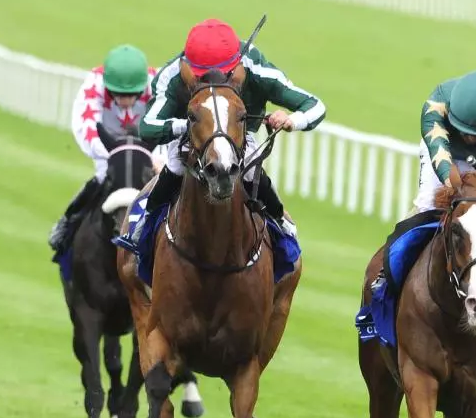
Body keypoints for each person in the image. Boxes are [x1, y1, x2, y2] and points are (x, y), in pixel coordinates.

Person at [130, 18, 327, 244]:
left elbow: (315, 106)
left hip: (239, 139)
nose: (213, 83)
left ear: (238, 65)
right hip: (191, 138)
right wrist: (192, 124)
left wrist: (291, 120)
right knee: (174, 166)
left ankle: (281, 226)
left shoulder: (255, 66)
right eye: (202, 77)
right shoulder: (172, 74)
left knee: (252, 170)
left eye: (224, 76)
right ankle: (143, 224)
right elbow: (147, 127)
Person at [48, 44, 156, 253]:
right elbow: (86, 130)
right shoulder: (93, 85)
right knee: (101, 177)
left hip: (147, 146)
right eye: (118, 94)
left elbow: (165, 131)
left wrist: (155, 159)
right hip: (107, 145)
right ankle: (69, 221)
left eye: (132, 94)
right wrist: (114, 155)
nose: (125, 101)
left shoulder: (157, 84)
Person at [412, 70, 476, 214]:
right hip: (446, 151)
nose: (471, 139)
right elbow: (441, 157)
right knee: (427, 206)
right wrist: (457, 185)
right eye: (465, 132)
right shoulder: (435, 106)